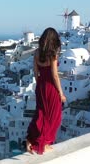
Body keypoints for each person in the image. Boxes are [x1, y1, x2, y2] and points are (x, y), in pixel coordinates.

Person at [26, 27, 66, 155]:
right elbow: (54, 75)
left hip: (41, 86)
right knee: (54, 116)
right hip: (50, 88)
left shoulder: (37, 53)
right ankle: (43, 144)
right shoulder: (53, 55)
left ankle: (31, 140)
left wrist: (39, 85)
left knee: (41, 114)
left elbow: (35, 72)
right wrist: (61, 93)